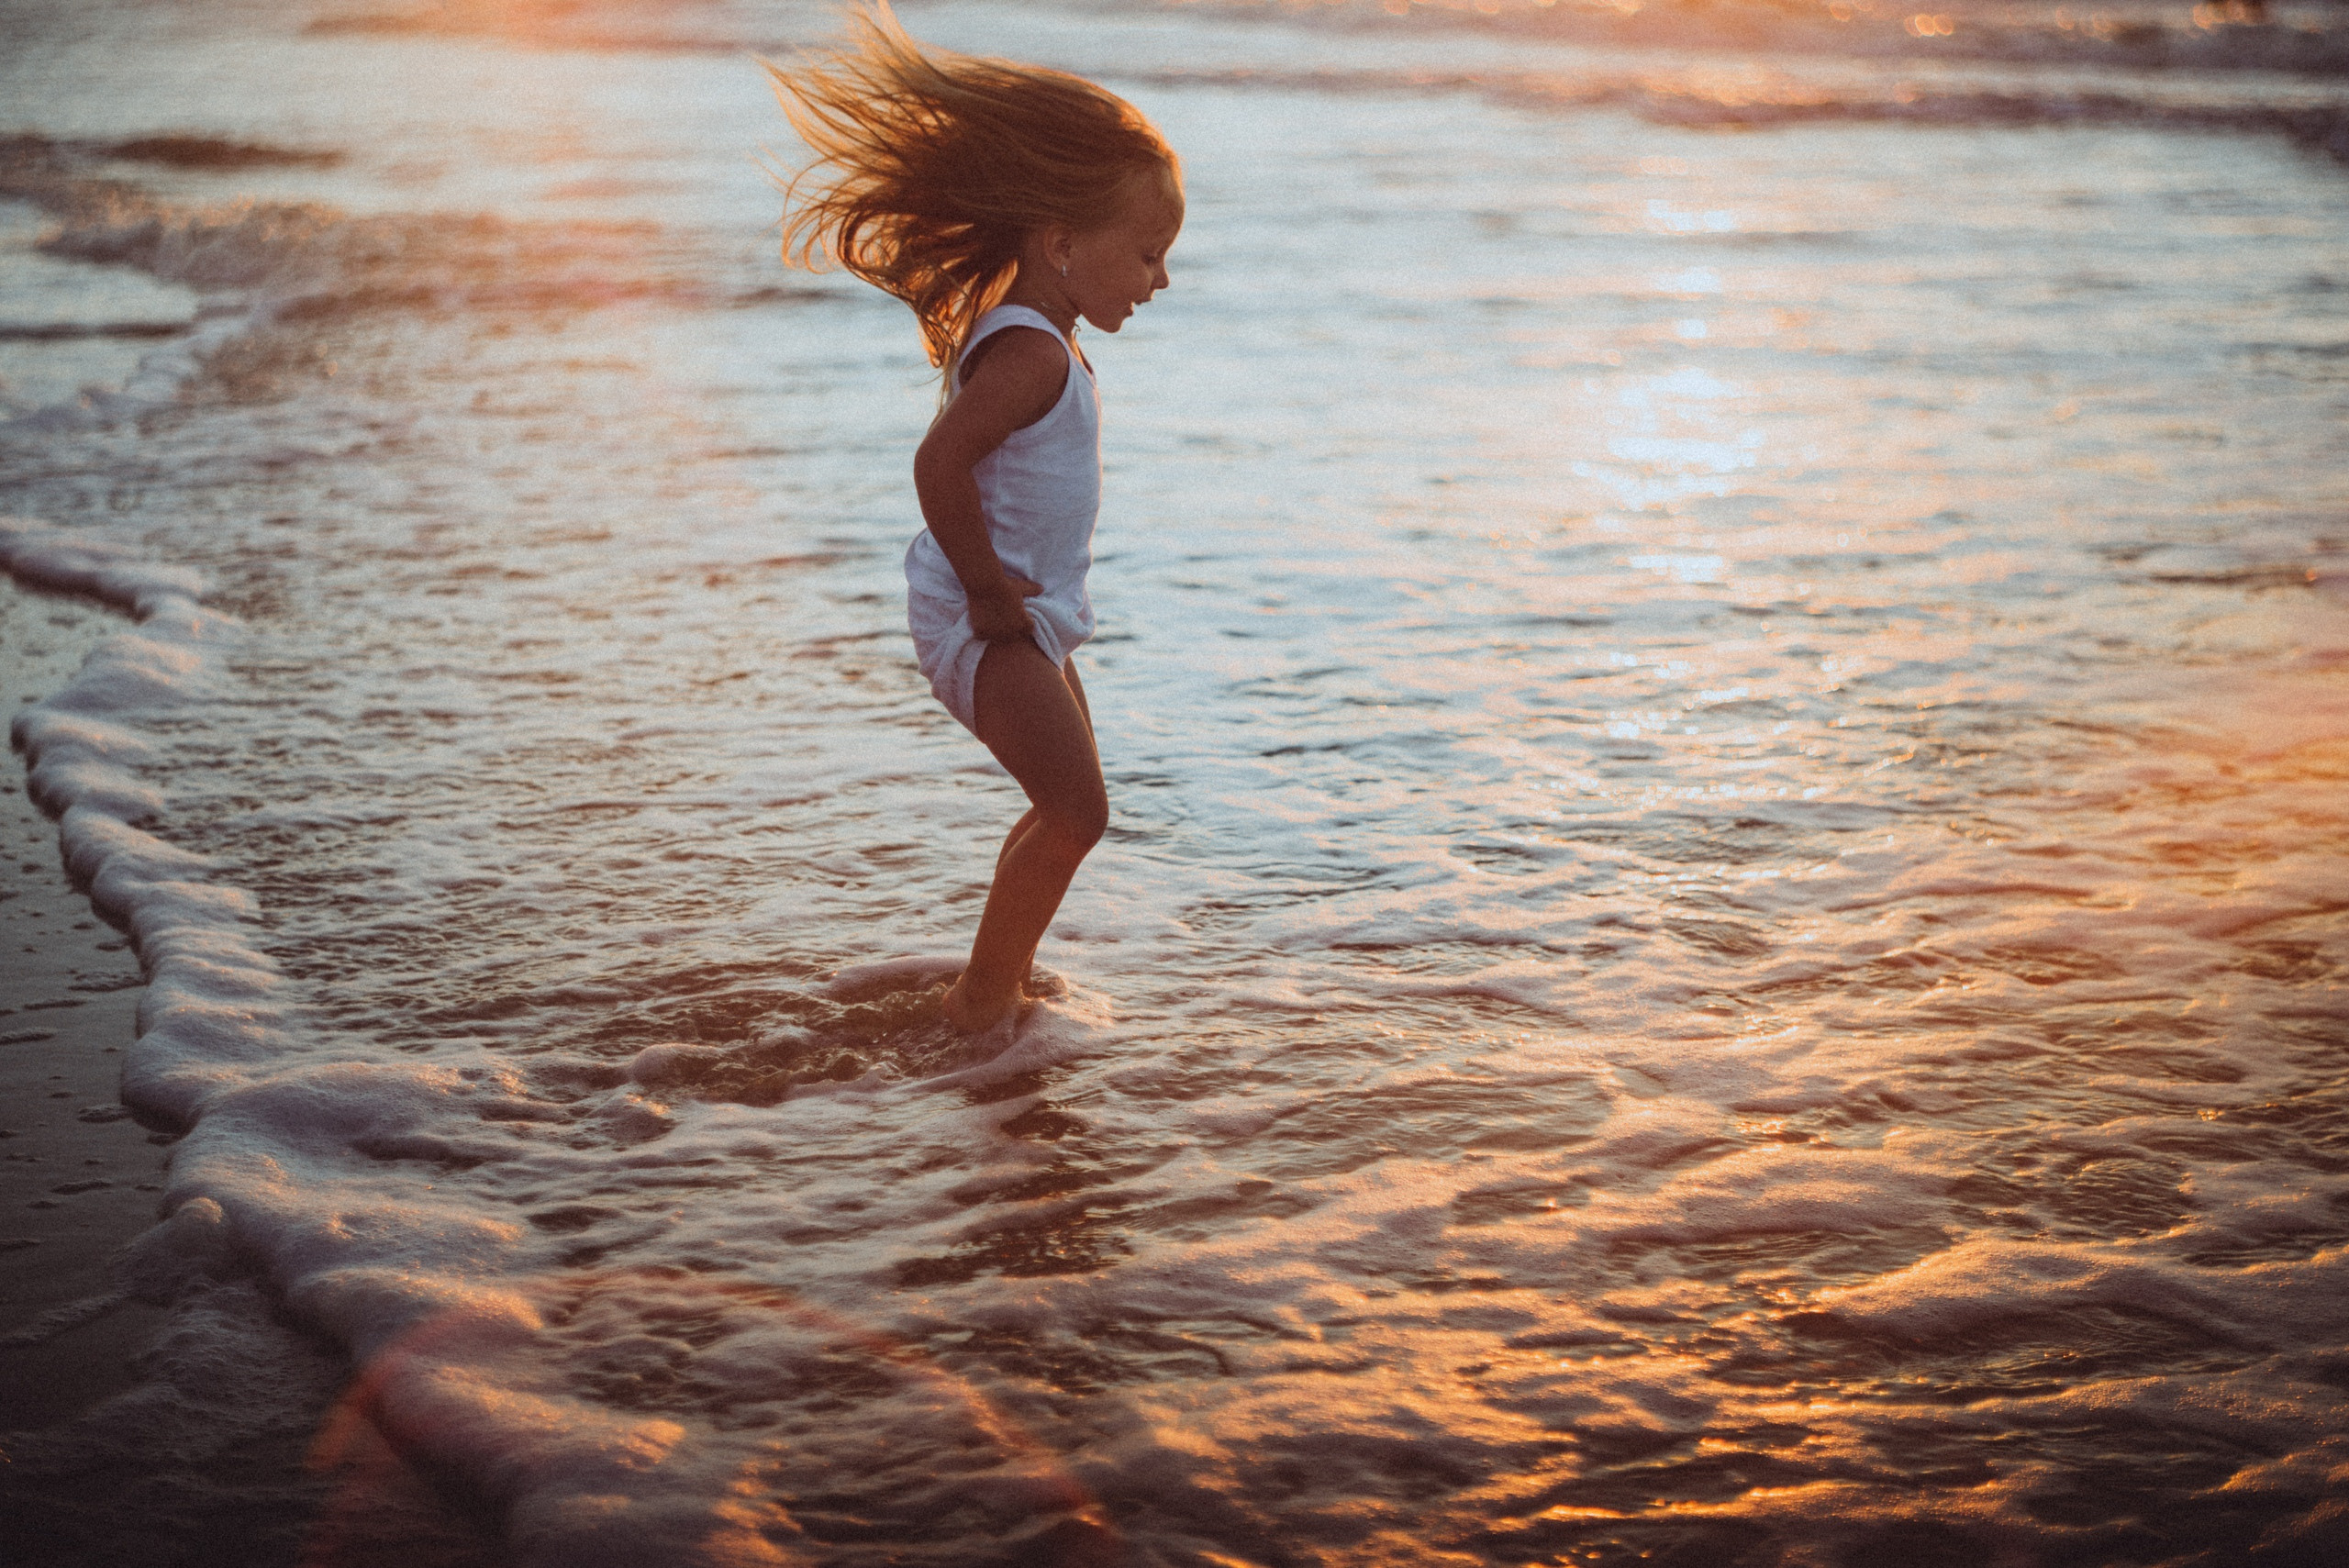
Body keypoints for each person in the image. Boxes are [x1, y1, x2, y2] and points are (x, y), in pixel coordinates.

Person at [766, 5, 1183, 1031]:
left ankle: (994, 980)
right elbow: (939, 462)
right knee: (1080, 812)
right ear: (1062, 242)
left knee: (1062, 807)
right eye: (1147, 252)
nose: (1161, 278)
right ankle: (981, 1000)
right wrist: (991, 591)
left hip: (1013, 612)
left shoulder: (1047, 336)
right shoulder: (1033, 351)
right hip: (981, 612)